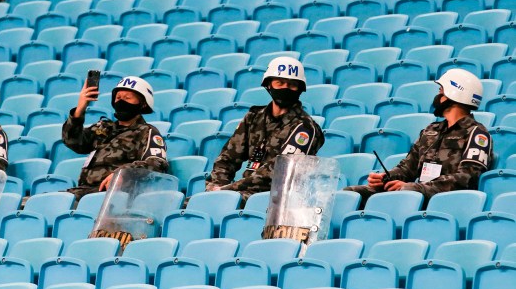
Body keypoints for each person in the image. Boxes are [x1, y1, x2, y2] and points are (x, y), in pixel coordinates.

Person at [345, 68, 493, 204]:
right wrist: (385, 177)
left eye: (441, 91)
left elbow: (467, 178)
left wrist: (416, 187)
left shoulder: (477, 133)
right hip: (416, 193)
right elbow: (407, 168)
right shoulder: (430, 130)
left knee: (405, 192)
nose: (437, 96)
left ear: (455, 93)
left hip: (446, 199)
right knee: (352, 194)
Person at [206, 56, 325, 201]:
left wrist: (227, 190)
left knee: (225, 201)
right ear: (269, 85)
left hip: (279, 198)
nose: (285, 88)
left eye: (292, 85)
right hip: (243, 193)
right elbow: (227, 158)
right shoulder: (253, 117)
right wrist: (217, 185)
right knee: (194, 203)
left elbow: (277, 173)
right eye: (279, 83)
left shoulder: (306, 128)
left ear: (300, 89)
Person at [62, 76, 168, 200]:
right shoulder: (103, 128)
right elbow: (73, 141)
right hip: (84, 191)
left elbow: (157, 163)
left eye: (127, 98)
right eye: (118, 98)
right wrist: (80, 109)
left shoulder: (147, 131)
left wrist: (122, 173)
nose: (121, 102)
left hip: (115, 195)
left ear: (143, 104)